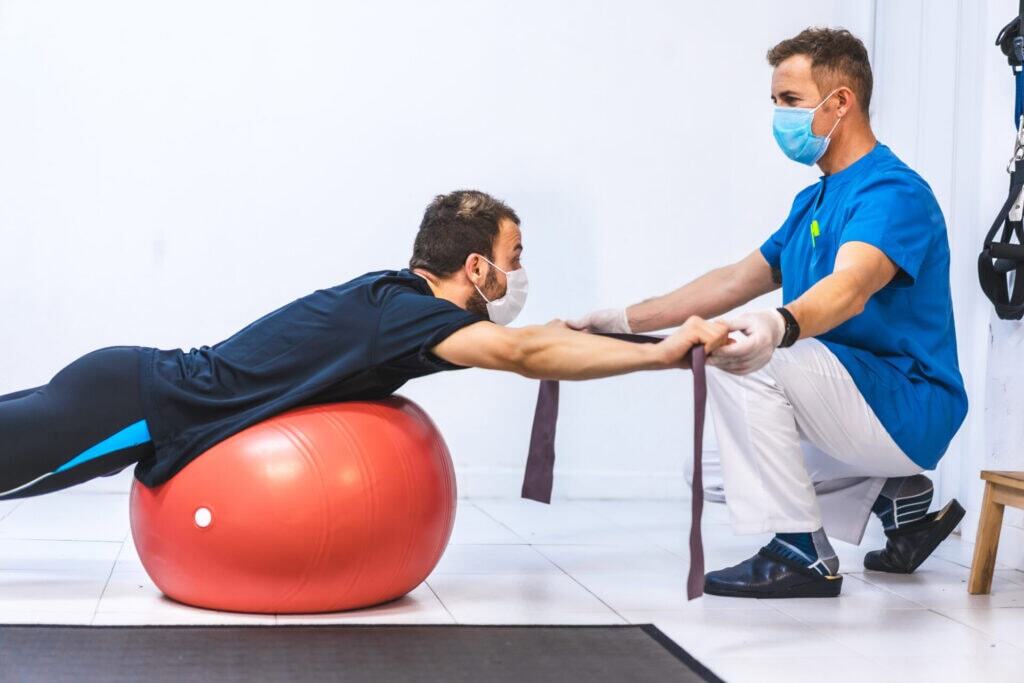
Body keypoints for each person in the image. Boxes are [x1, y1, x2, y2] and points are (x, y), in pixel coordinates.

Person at [569, 28, 967, 598]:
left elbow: (852, 285)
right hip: (855, 396)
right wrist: (621, 320)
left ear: (841, 103)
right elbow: (734, 279)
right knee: (711, 469)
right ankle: (894, 497)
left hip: (908, 401)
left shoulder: (891, 192)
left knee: (741, 358)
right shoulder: (816, 198)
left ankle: (802, 552)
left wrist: (781, 325)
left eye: (790, 101)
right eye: (775, 102)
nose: (778, 116)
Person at [0, 190, 728, 500]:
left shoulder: (397, 302)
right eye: (514, 254)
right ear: (475, 268)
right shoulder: (407, 316)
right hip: (133, 401)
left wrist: (619, 328)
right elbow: (524, 353)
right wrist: (658, 354)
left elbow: (536, 341)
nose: (519, 273)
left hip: (125, 387)